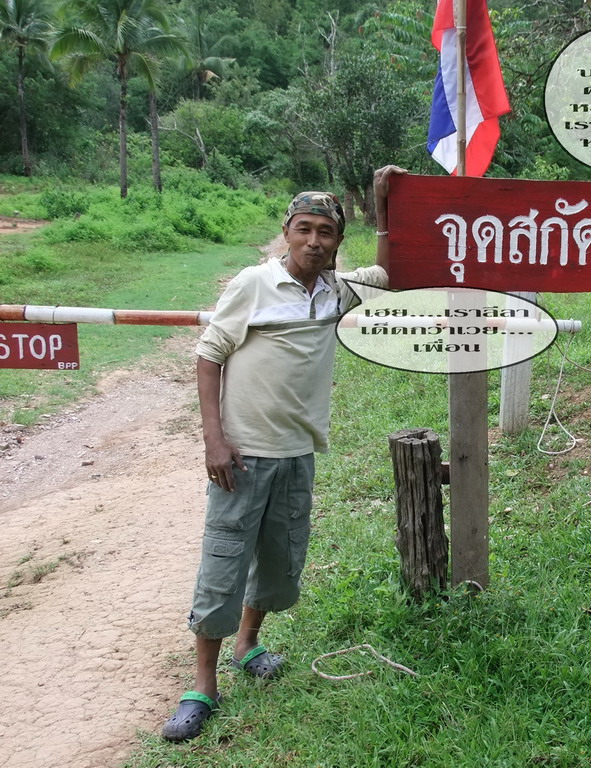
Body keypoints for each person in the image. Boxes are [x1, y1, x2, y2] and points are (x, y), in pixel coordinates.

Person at [162, 166, 405, 742]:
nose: (314, 241)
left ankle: (248, 644)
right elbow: (209, 356)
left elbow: (391, 271)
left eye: (326, 232)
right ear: (287, 231)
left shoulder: (339, 291)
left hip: (298, 453)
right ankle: (202, 686)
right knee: (224, 562)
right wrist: (214, 439)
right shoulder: (254, 283)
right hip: (242, 457)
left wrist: (383, 203)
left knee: (279, 559)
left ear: (337, 242)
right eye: (304, 230)